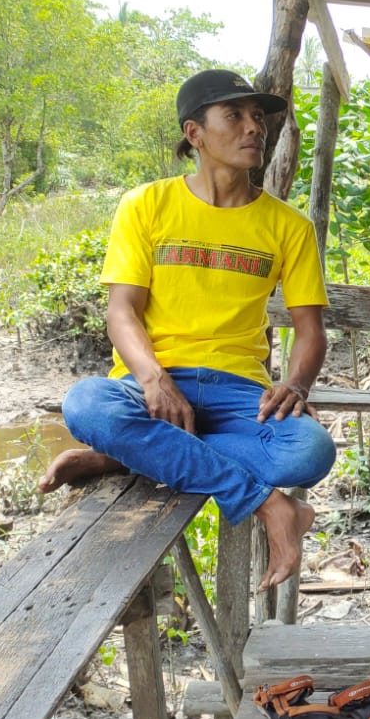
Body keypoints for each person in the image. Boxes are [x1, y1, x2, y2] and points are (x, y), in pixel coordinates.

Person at [40, 69, 335, 591]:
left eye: (259, 118)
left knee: (310, 451)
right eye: (235, 116)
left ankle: (126, 453)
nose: (255, 128)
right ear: (194, 133)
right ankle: (267, 503)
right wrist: (153, 379)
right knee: (88, 404)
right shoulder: (147, 205)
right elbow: (121, 312)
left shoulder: (289, 226)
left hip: (241, 390)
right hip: (153, 384)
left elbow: (310, 330)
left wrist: (296, 384)